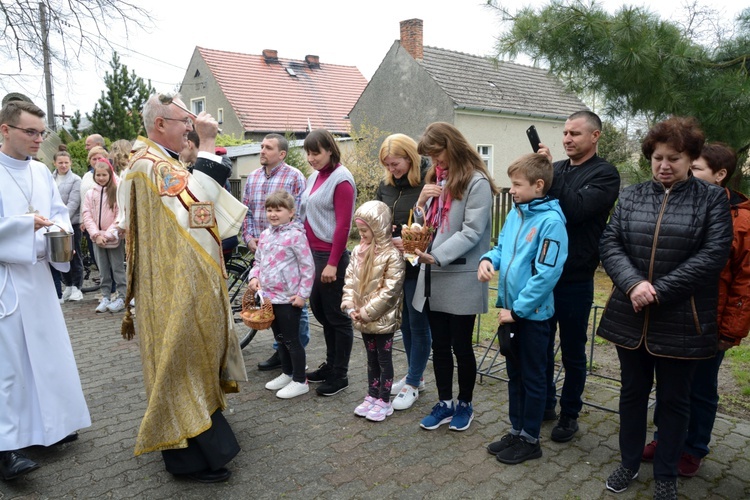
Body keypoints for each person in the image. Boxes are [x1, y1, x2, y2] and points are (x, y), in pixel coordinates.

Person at [597, 117, 732, 499]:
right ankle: (627, 463)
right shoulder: (634, 195)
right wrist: (634, 284)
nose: (664, 165)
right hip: (630, 314)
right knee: (631, 395)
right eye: (657, 157)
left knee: (674, 401)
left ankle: (667, 474)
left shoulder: (711, 200)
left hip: (682, 319)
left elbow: (713, 256)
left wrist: (658, 290)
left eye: (674, 158)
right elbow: (610, 243)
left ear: (691, 158)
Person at [116, 93, 247, 483]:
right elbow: (200, 211)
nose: (189, 127)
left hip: (169, 279)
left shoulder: (150, 162)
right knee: (182, 360)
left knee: (187, 360)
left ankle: (195, 442)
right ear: (160, 125)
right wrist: (207, 144)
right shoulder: (152, 165)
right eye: (182, 122)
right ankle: (188, 460)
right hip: (175, 285)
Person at [641, 142, 750, 477]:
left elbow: (745, 282)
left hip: (710, 323)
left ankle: (694, 448)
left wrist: (729, 330)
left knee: (701, 388)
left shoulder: (741, 220)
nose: (687, 173)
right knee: (671, 385)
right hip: (675, 315)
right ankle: (665, 439)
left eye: (696, 169)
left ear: (720, 175)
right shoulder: (681, 204)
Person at [0, 100, 91, 481]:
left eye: (42, 132)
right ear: (5, 130)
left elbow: (57, 214)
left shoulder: (41, 171)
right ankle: (6, 450)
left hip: (38, 277)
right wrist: (24, 226)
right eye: (30, 132)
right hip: (7, 280)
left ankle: (48, 429)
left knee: (47, 357)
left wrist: (58, 231)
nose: (39, 139)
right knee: (11, 367)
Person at [478, 153, 568, 464]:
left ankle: (531, 439)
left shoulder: (551, 222)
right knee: (514, 375)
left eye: (517, 184)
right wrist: (488, 260)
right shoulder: (516, 213)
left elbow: (547, 274)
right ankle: (517, 431)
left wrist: (517, 311)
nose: (511, 189)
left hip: (531, 317)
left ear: (538, 185)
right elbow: (502, 248)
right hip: (510, 314)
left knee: (532, 377)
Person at [537, 110, 620, 442]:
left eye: (575, 134)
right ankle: (545, 404)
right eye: (565, 133)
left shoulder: (605, 174)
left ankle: (570, 414)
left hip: (575, 278)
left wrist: (552, 179)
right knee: (540, 345)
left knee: (572, 350)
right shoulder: (556, 169)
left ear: (595, 136)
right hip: (544, 276)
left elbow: (575, 211)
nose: (567, 139)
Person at [412, 122, 499, 432]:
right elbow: (426, 228)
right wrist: (421, 203)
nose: (436, 163)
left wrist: (437, 256)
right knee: (440, 346)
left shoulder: (476, 182)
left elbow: (473, 231)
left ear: (452, 146)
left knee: (461, 347)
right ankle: (444, 403)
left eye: (438, 154)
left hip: (459, 274)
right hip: (433, 275)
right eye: (432, 158)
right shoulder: (439, 179)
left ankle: (465, 404)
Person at [241, 133, 310, 371]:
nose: (262, 151)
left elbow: (300, 214)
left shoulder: (294, 177)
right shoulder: (252, 178)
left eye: (268, 147)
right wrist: (250, 238)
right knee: (270, 306)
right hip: (263, 250)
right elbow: (247, 212)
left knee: (292, 311)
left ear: (281, 154)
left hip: (286, 254)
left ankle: (294, 357)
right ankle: (281, 354)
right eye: (261, 146)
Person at [375, 133, 432, 411]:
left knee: (419, 324)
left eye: (395, 164)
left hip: (419, 264)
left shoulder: (428, 180)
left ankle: (411, 383)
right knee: (406, 323)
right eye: (387, 164)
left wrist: (410, 239)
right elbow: (378, 216)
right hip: (395, 264)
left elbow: (433, 222)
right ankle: (416, 377)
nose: (391, 170)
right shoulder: (385, 185)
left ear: (410, 158)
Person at [300, 129, 357, 396]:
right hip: (312, 254)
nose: (311, 158)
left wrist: (333, 262)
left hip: (330, 257)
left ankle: (340, 374)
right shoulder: (314, 177)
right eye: (308, 153)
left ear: (330, 151)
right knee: (321, 312)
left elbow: (343, 224)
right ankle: (330, 364)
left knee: (337, 317)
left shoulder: (341, 179)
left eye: (316, 153)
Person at [247, 190, 315, 399]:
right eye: (269, 210)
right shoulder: (266, 235)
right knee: (280, 338)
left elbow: (307, 267)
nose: (273, 214)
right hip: (269, 297)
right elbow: (258, 261)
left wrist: (302, 295)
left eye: (278, 210)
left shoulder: (296, 236)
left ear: (291, 212)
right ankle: (287, 372)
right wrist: (254, 277)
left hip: (288, 298)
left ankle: (300, 379)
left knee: (292, 340)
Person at [344, 200, 406, 421]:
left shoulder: (392, 255)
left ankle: (384, 399)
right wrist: (351, 306)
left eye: (364, 231)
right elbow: (350, 281)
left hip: (381, 319)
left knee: (384, 358)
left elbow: (390, 291)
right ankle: (372, 395)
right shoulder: (358, 252)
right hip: (362, 317)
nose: (361, 235)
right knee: (370, 359)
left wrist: (368, 312)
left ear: (378, 228)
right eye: (359, 230)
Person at [82, 160, 126, 313]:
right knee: (103, 270)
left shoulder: (116, 191)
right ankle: (106, 296)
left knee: (118, 269)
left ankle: (122, 296)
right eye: (98, 175)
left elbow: (120, 214)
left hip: (113, 238)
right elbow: (87, 215)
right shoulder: (90, 193)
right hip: (97, 239)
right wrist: (95, 234)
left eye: (104, 174)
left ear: (110, 174)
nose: (100, 178)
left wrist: (107, 234)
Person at [50, 150, 84, 303]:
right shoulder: (49, 179)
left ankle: (77, 286)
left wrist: (61, 221)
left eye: (66, 162)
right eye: (60, 162)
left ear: (70, 163)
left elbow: (73, 204)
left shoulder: (76, 180)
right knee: (60, 256)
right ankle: (68, 285)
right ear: (55, 163)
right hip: (54, 225)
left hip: (71, 225)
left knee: (74, 256)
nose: (63, 165)